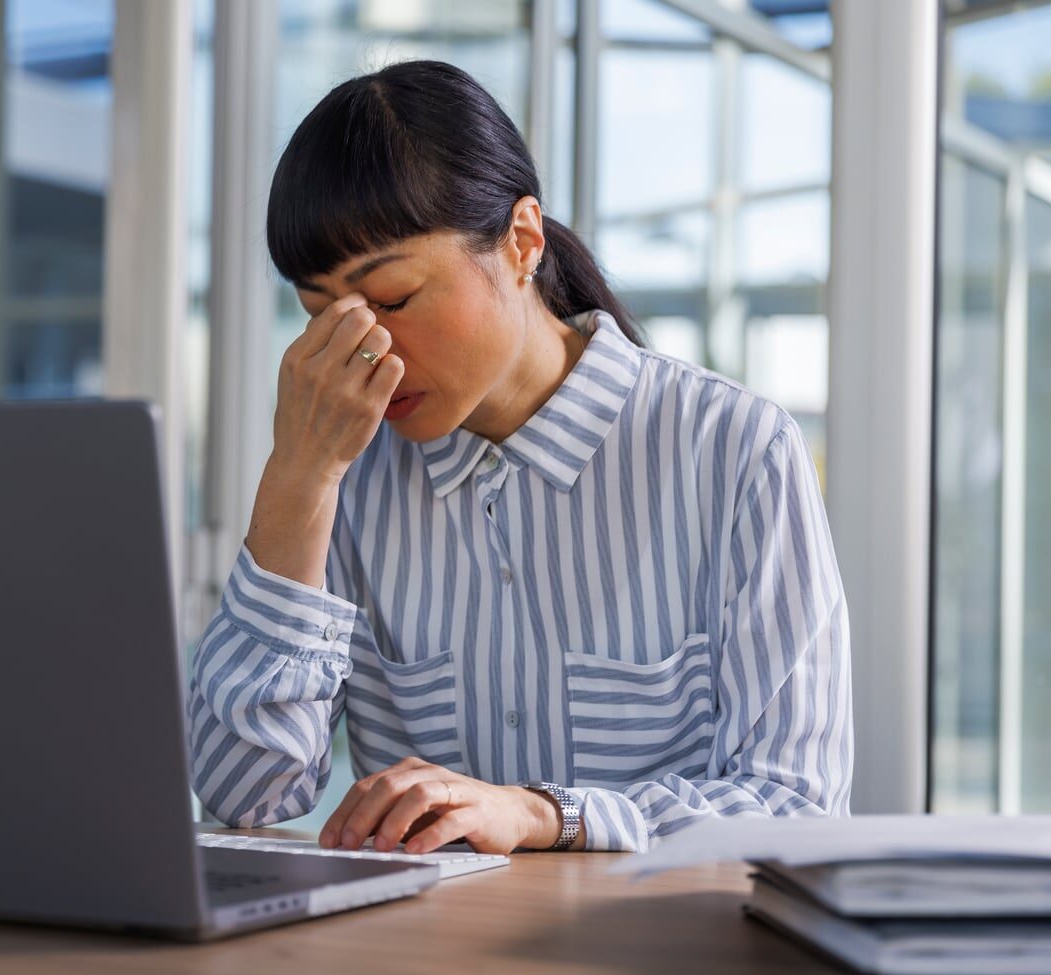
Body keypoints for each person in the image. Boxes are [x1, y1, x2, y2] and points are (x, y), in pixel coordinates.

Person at [187, 61, 851, 855]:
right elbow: (244, 794)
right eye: (320, 316)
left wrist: (545, 814)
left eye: (392, 300)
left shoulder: (735, 452)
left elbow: (795, 801)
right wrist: (299, 480)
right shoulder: (345, 478)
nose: (361, 351)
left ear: (522, 242)